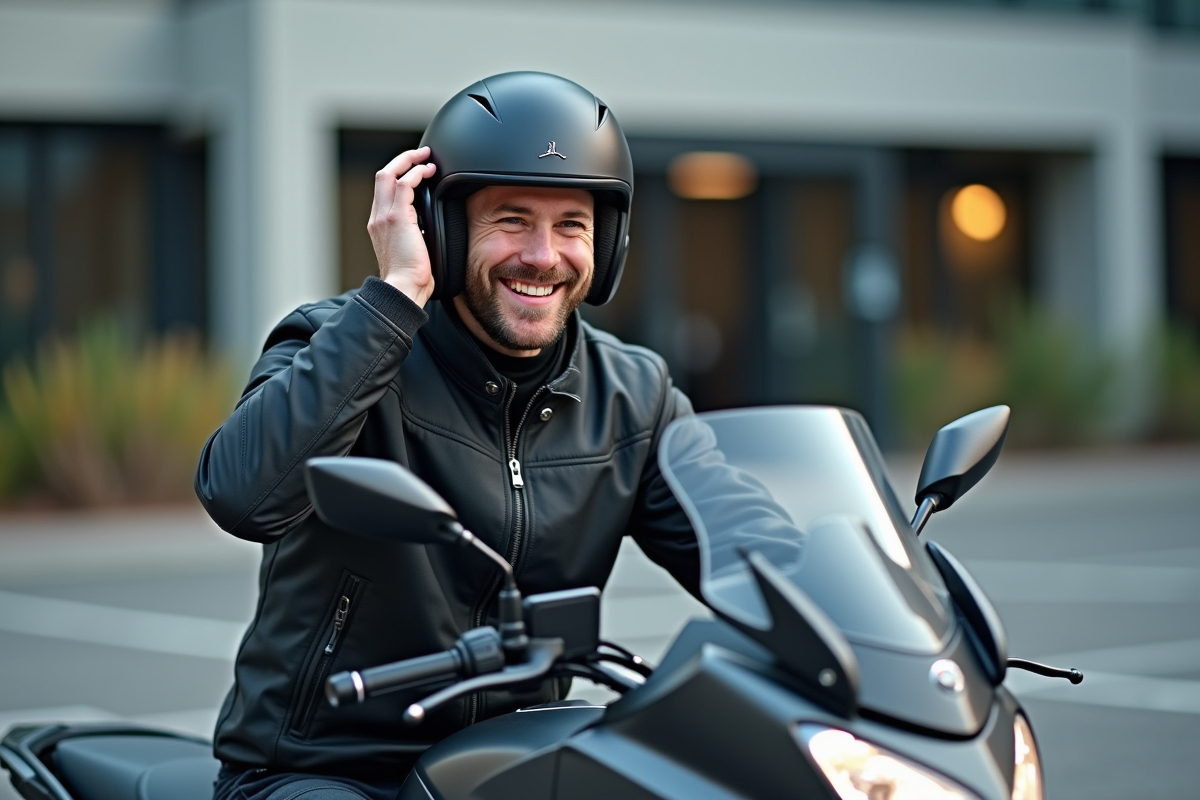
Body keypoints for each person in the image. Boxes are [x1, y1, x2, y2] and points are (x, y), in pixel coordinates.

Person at [195, 71, 700, 800]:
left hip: (512, 764)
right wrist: (397, 295)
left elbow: (748, 546)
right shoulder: (337, 344)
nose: (543, 255)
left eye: (571, 225)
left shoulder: (634, 395)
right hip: (324, 767)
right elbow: (244, 497)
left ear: (608, 242)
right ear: (444, 228)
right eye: (512, 220)